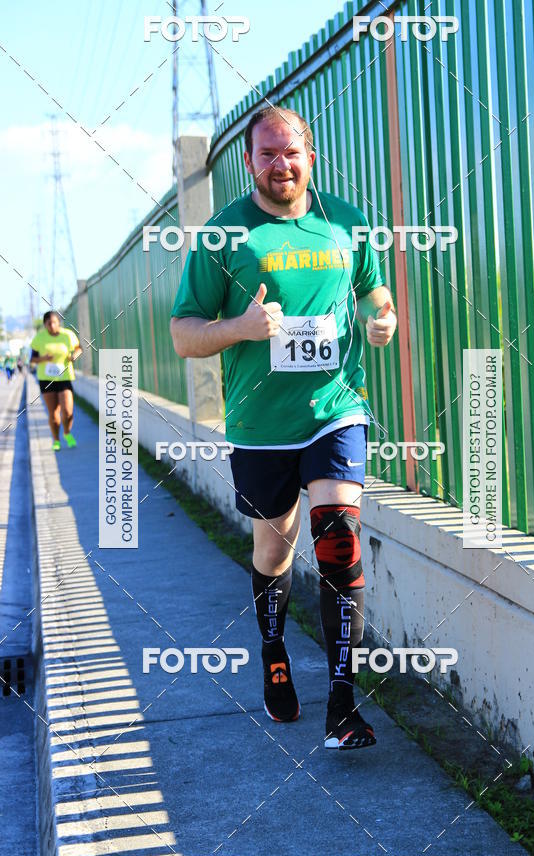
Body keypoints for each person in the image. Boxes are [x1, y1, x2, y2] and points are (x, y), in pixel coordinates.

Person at [170, 106, 397, 750]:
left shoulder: (348, 224)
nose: (280, 164)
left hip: (335, 408)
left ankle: (343, 706)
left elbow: (377, 299)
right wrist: (238, 329)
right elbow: (185, 333)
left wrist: (384, 323)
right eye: (267, 154)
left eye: (290, 152)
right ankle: (273, 651)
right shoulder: (223, 236)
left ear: (311, 156)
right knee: (276, 550)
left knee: (339, 538)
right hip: (261, 426)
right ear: (249, 163)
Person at [30, 311, 82, 450]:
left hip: (64, 377)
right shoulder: (39, 338)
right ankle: (56, 440)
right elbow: (33, 359)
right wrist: (43, 359)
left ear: (59, 322)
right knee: (53, 414)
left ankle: (67, 432)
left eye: (54, 322)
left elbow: (79, 348)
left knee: (68, 411)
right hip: (47, 379)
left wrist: (74, 356)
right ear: (45, 325)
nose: (52, 326)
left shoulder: (68, 335)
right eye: (49, 323)